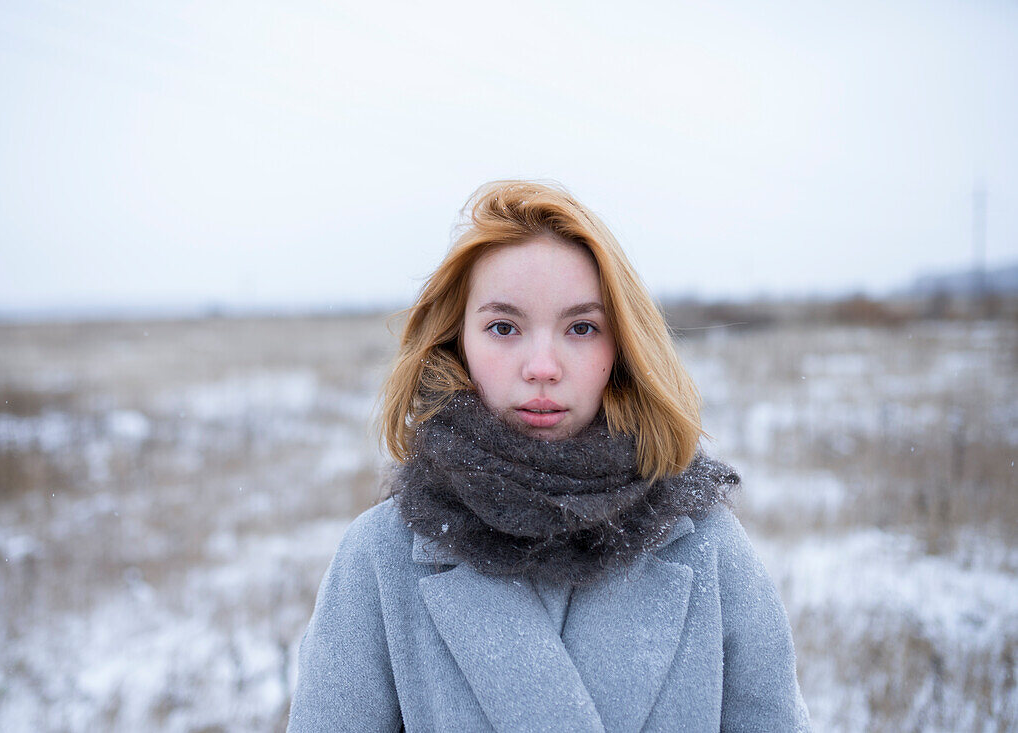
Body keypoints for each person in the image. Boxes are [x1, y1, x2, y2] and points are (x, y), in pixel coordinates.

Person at [287, 181, 811, 732]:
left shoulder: (708, 549)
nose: (542, 366)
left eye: (581, 327)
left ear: (623, 348)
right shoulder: (379, 558)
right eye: (504, 327)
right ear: (456, 342)